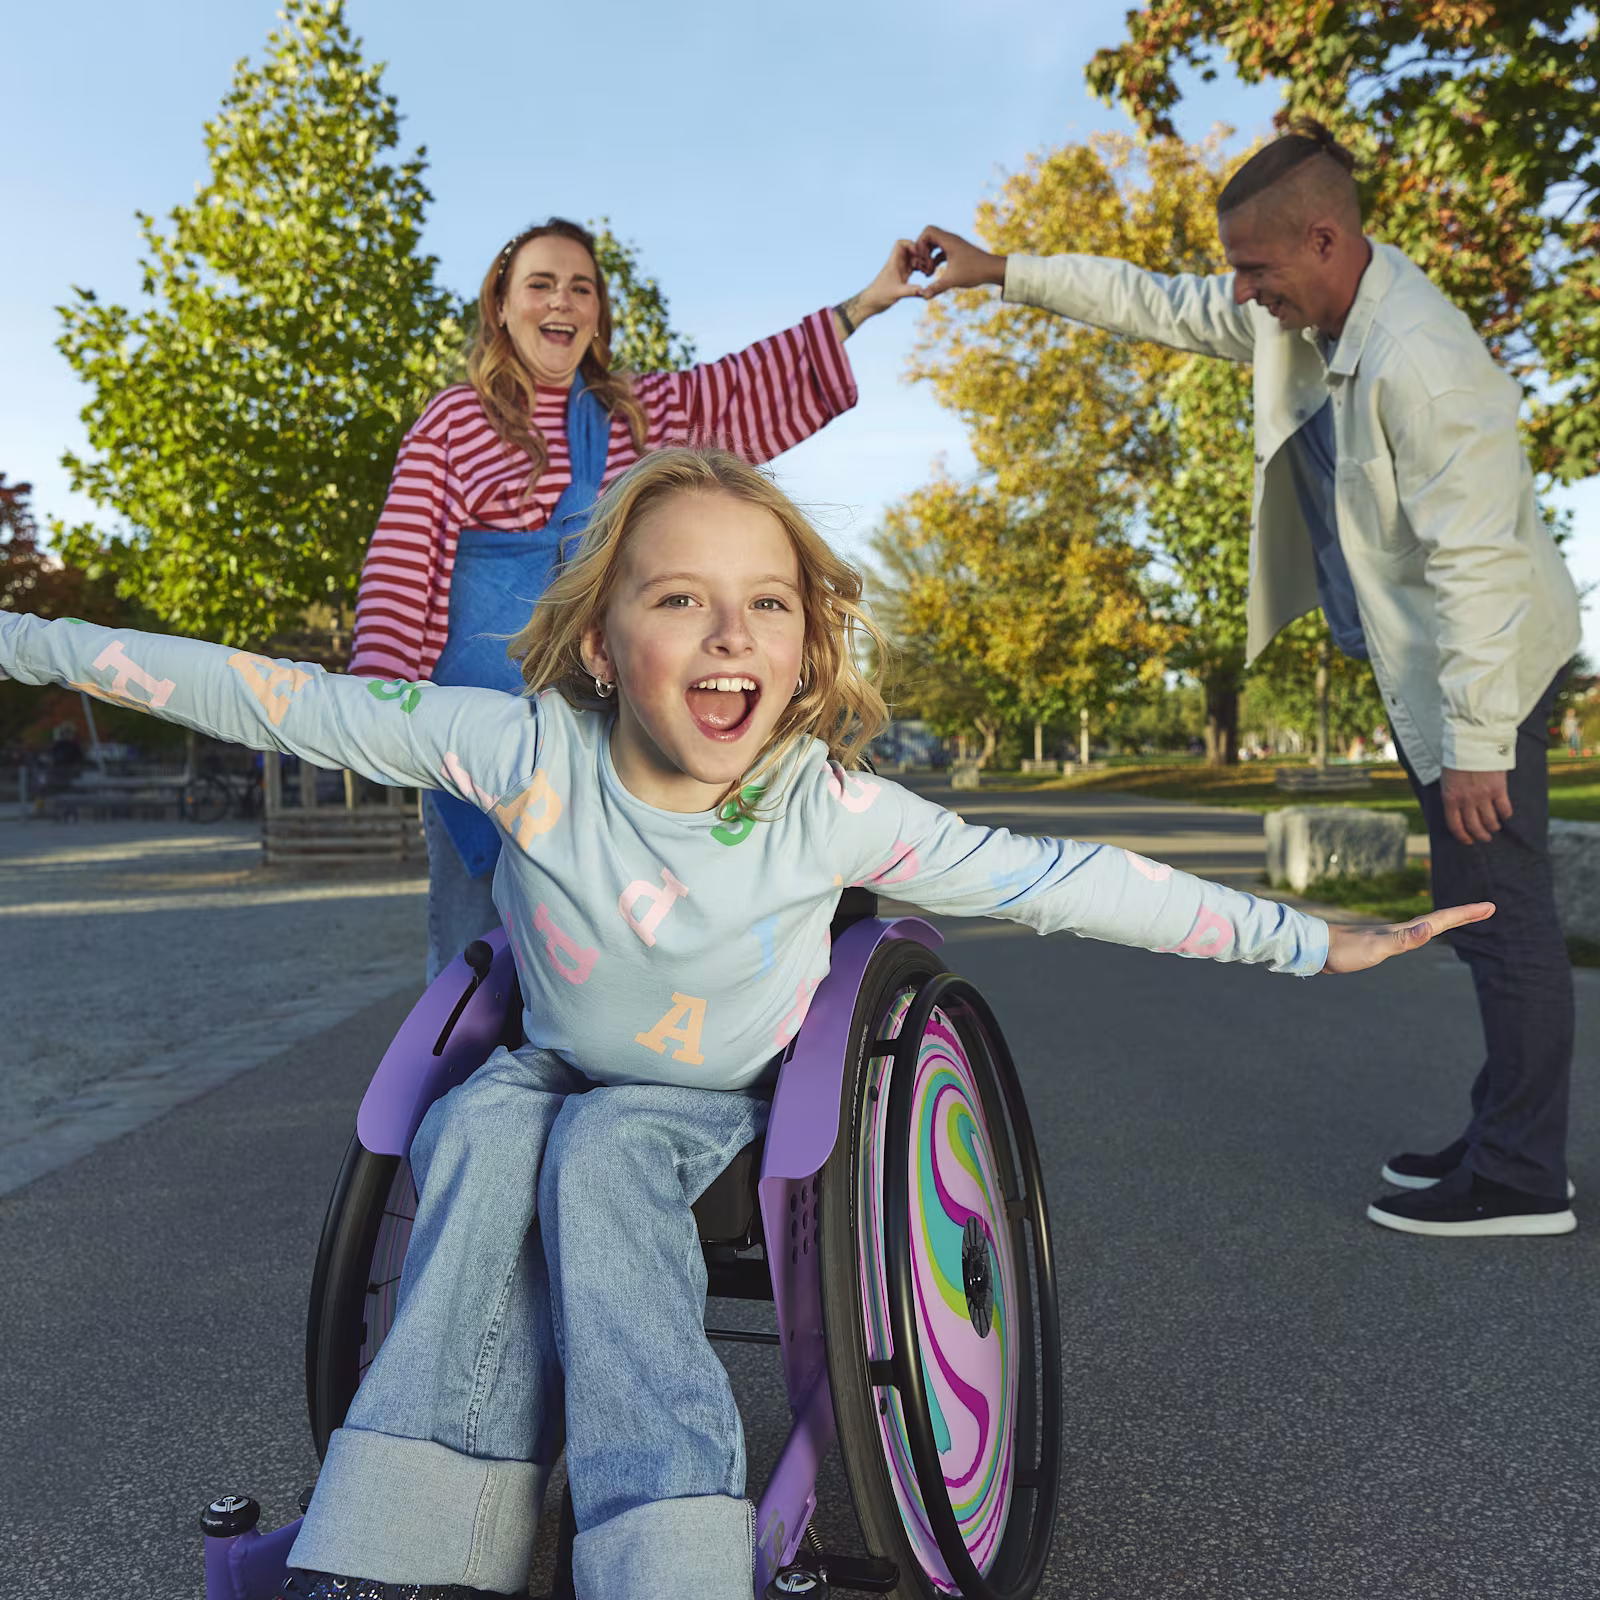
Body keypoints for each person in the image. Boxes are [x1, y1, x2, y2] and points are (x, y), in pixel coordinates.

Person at [0, 447, 1491, 1599]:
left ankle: (665, 1547)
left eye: (765, 602)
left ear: (802, 642)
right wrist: (34, 644)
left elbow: (1060, 880)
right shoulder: (521, 750)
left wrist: (1315, 943)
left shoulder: (821, 807)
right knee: (484, 1120)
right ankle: (402, 1538)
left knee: (595, 1153)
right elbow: (280, 699)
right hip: (551, 1059)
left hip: (718, 1103)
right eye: (680, 598)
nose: (730, 635)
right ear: (600, 647)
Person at [914, 118, 1582, 1240]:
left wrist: (1477, 740)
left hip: (1489, 673)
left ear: (1324, 240)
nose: (1237, 290)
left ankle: (1520, 1180)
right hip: (1432, 666)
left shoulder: (1423, 364)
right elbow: (1155, 302)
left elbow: (1481, 570)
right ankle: (1502, 1139)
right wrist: (1003, 274)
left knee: (1503, 919)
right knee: (1483, 919)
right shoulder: (1306, 315)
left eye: (1254, 268)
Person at [351, 216, 925, 983]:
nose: (562, 300)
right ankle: (461, 1100)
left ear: (597, 313)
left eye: (581, 287)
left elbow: (746, 380)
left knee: (613, 952)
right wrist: (375, 702)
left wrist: (865, 304)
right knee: (477, 961)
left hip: (605, 730)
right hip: (485, 734)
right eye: (541, 283)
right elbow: (402, 561)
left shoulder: (640, 416)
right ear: (502, 305)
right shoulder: (455, 421)